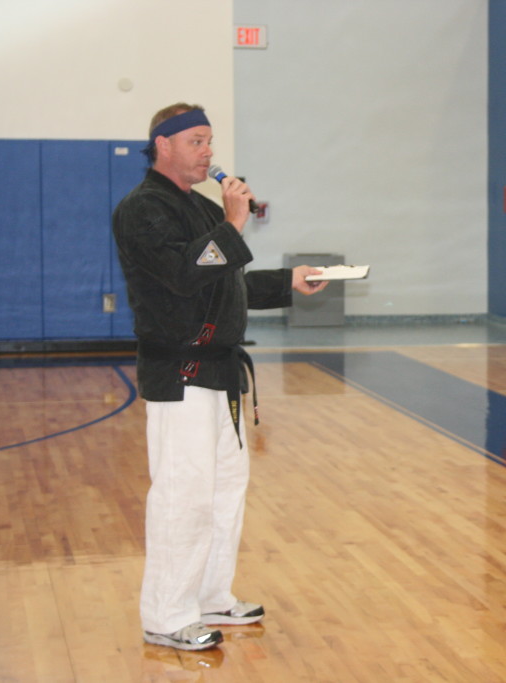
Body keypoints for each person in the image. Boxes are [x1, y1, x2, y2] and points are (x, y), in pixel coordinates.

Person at [112, 103, 329, 650]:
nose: (209, 151)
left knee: (225, 488)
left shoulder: (201, 209)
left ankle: (210, 595)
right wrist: (233, 222)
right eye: (197, 141)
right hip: (180, 371)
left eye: (210, 141)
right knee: (183, 493)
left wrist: (289, 282)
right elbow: (188, 276)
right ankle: (166, 614)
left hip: (222, 371)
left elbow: (226, 285)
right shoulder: (142, 210)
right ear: (163, 144)